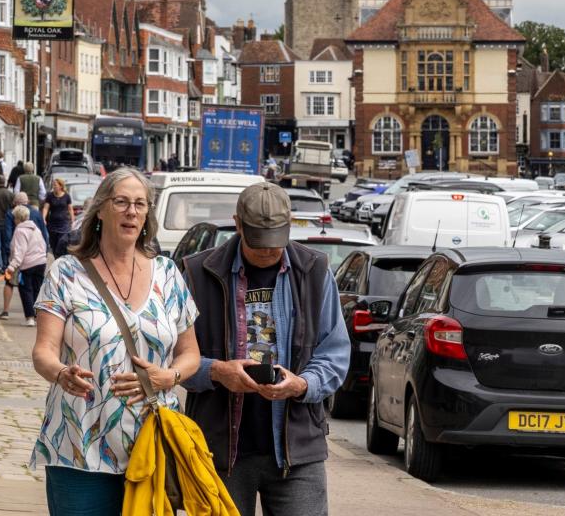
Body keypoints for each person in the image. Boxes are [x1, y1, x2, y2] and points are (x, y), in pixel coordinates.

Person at [29, 167, 200, 514]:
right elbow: (43, 351)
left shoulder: (168, 274)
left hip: (150, 443)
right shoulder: (66, 272)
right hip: (78, 441)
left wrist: (170, 377)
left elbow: (190, 353)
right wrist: (61, 373)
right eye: (121, 202)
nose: (131, 211)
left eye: (140, 204)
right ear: (101, 209)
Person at [181, 182, 349, 516]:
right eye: (258, 241)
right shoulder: (198, 273)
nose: (268, 251)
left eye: (275, 242)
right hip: (218, 449)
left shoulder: (314, 270)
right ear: (238, 224)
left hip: (297, 451)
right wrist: (217, 372)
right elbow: (176, 358)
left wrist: (303, 384)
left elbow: (335, 352)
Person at [1, 192, 49, 319]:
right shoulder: (36, 222)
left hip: (25, 262)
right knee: (37, 289)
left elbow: (16, 247)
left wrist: (10, 265)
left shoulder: (19, 229)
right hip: (40, 261)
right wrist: (43, 255)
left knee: (23, 288)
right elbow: (44, 237)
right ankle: (39, 316)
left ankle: (26, 316)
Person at [41, 178, 74, 257]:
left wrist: (72, 219)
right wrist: (43, 218)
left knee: (62, 242)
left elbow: (70, 209)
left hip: (64, 224)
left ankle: (61, 257)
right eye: (53, 185)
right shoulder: (50, 196)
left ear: (60, 186)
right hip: (53, 225)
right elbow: (46, 208)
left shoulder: (66, 196)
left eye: (55, 185)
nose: (54, 186)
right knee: (53, 244)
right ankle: (56, 258)